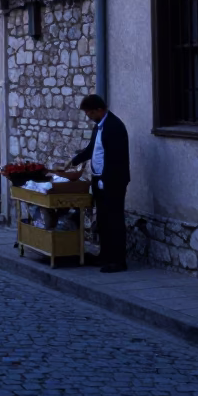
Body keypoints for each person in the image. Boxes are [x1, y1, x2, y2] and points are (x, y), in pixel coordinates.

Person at [68, 94, 131, 274]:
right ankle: (105, 255)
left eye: (90, 113)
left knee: (114, 221)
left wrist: (105, 180)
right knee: (103, 220)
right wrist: (74, 161)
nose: (89, 117)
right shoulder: (99, 127)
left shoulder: (114, 127)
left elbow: (116, 159)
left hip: (113, 182)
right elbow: (91, 150)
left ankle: (118, 260)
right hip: (99, 180)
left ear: (99, 110)